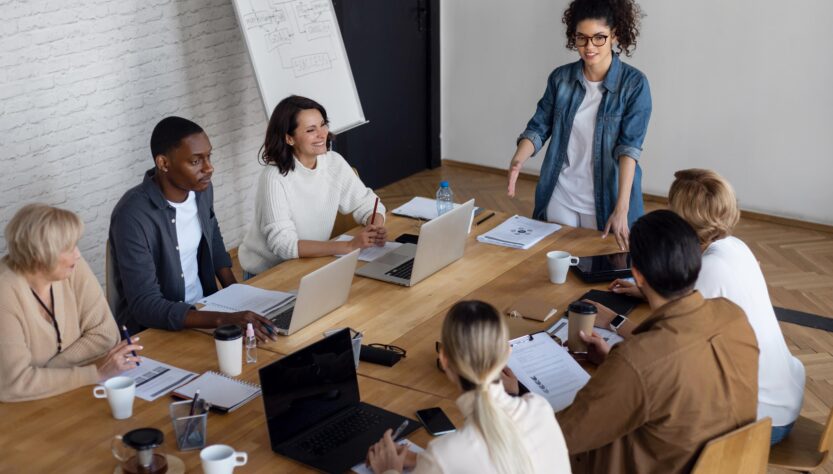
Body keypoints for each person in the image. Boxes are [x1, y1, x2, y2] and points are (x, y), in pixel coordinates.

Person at [603, 169, 805, 445]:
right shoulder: (734, 246)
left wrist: (610, 321)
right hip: (784, 395)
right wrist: (646, 290)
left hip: (761, 420)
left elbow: (661, 348)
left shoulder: (708, 269)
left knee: (642, 416)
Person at [556, 210, 759, 473]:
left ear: (637, 275)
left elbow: (563, 437)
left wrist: (517, 396)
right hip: (731, 463)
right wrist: (613, 365)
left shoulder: (637, 360)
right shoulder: (733, 316)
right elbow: (683, 379)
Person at [109, 116, 277, 341]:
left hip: (206, 308)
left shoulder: (201, 190)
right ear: (164, 163)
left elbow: (213, 238)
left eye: (209, 156)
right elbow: (145, 305)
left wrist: (239, 298)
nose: (209, 168)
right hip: (159, 331)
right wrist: (223, 319)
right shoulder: (132, 215)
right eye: (196, 161)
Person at [507, 0, 651, 250]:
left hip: (608, 199)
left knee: (603, 268)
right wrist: (519, 159)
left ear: (615, 35)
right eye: (581, 38)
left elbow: (629, 150)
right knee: (552, 263)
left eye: (599, 38)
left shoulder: (634, 84)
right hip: (560, 193)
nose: (589, 47)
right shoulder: (561, 78)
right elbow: (539, 126)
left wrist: (622, 208)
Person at [365, 300, 571, 474]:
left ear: (444, 359)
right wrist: (423, 461)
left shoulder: (444, 455)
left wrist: (389, 469)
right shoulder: (539, 408)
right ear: (507, 353)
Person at [0, 204, 142, 402]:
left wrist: (44, 372)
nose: (78, 254)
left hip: (66, 395)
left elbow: (106, 335)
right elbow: (13, 384)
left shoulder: (72, 268)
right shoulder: (5, 293)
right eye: (69, 248)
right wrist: (95, 373)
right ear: (40, 257)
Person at [238, 95, 387, 277]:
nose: (322, 134)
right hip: (269, 274)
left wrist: (375, 227)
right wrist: (348, 246)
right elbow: (284, 244)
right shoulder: (274, 178)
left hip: (311, 262)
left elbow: (367, 203)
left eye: (323, 124)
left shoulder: (333, 162)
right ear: (289, 139)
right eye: (311, 130)